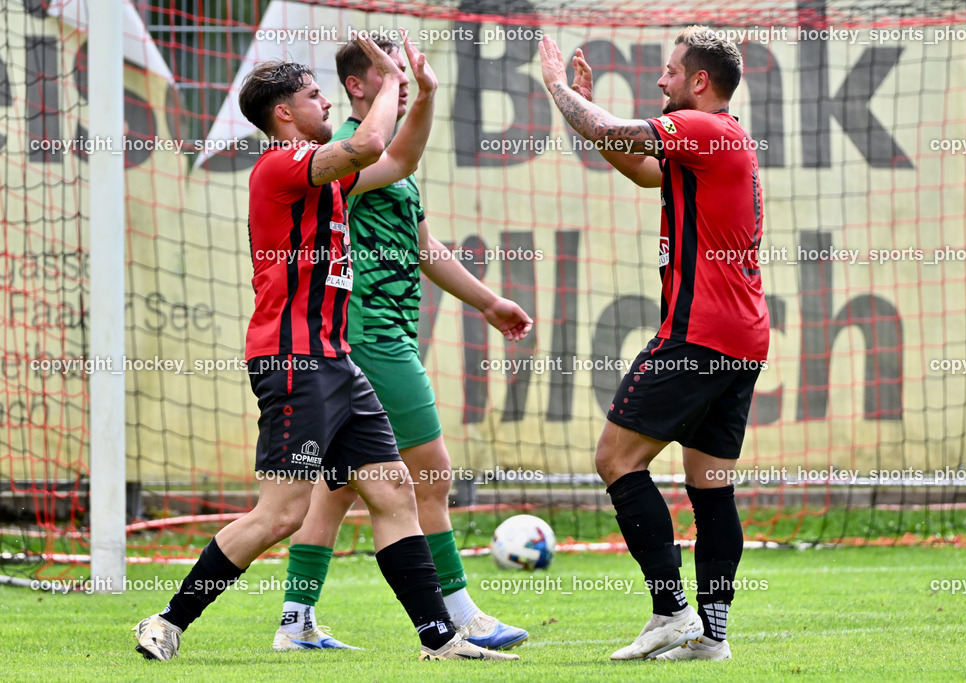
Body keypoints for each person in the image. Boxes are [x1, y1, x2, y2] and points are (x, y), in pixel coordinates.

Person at [131, 33, 517, 662]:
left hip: (335, 361)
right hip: (294, 361)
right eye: (314, 96)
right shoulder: (283, 164)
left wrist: (423, 92)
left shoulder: (328, 179)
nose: (327, 103)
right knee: (281, 513)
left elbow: (399, 160)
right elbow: (370, 143)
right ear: (285, 113)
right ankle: (169, 620)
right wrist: (391, 82)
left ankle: (441, 639)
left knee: (392, 490)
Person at [271, 35, 533, 653]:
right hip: (369, 338)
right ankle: (461, 615)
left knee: (336, 488)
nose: (407, 77)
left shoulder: (387, 156)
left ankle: (295, 620)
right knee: (432, 477)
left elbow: (422, 247)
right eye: (392, 70)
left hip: (381, 335)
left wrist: (489, 301)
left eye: (409, 69)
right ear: (358, 85)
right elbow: (385, 157)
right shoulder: (340, 157)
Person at [538, 27, 769, 661]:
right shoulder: (720, 139)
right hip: (741, 337)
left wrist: (559, 90)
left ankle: (670, 612)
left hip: (698, 334)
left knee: (616, 459)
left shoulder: (706, 129)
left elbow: (614, 131)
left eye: (670, 72)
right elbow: (643, 172)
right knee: (709, 482)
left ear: (699, 82)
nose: (661, 82)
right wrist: (588, 119)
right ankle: (712, 638)